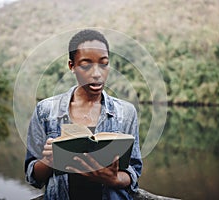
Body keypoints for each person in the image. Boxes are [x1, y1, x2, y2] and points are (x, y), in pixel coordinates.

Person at [25, 29, 142, 200]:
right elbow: (33, 177)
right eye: (86, 65)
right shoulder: (45, 111)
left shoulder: (126, 113)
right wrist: (49, 161)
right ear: (71, 66)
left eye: (104, 63)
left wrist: (114, 179)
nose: (96, 73)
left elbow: (133, 171)